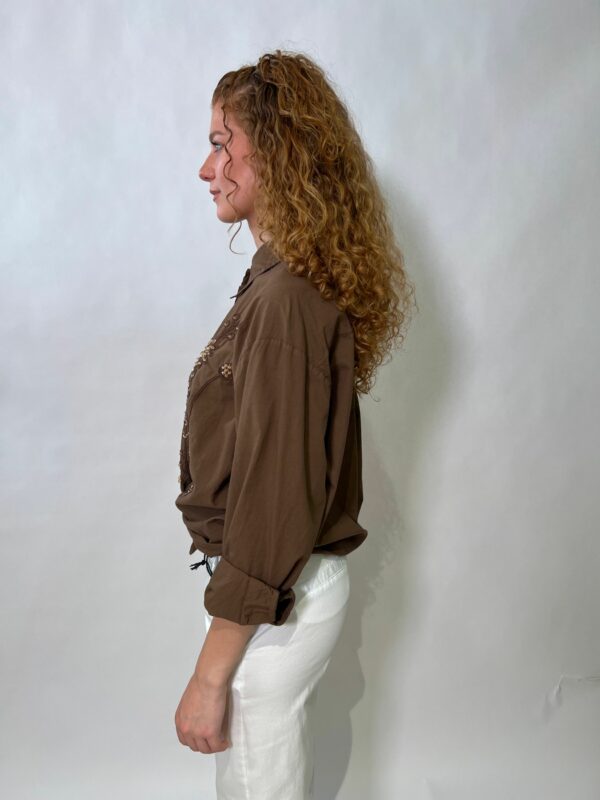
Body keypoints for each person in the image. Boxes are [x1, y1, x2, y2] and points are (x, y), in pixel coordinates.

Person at [173, 50, 416, 799]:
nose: (207, 168)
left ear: (276, 153)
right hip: (276, 596)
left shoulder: (284, 303)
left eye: (222, 144)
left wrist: (210, 676)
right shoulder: (281, 284)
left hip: (276, 601)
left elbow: (273, 506)